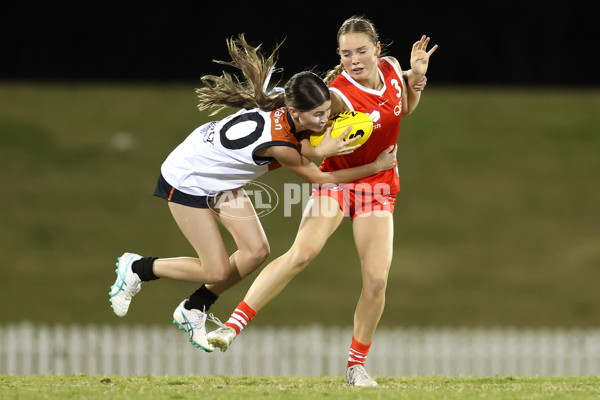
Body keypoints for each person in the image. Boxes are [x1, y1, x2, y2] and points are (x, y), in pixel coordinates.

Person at [108, 34, 397, 352]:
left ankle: (194, 308)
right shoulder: (281, 144)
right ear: (297, 113)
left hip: (218, 176)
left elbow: (304, 144)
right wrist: (375, 167)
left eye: (326, 111)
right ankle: (138, 268)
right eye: (318, 116)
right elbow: (320, 177)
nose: (325, 120)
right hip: (188, 178)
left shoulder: (285, 104)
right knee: (215, 268)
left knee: (256, 251)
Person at [206, 16, 437, 387]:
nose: (354, 60)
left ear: (378, 50)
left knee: (377, 281)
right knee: (302, 253)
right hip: (336, 182)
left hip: (377, 186)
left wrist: (419, 80)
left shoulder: (393, 69)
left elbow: (403, 109)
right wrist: (321, 148)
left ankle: (356, 366)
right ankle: (232, 327)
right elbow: (306, 143)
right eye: (346, 54)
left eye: (361, 51)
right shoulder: (337, 94)